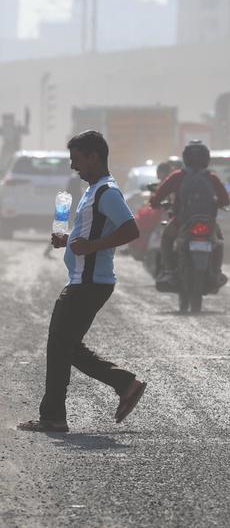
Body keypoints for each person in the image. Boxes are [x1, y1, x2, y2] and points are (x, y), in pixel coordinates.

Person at [18, 131, 146, 433]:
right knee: (68, 347)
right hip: (84, 280)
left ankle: (53, 417)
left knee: (59, 346)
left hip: (89, 283)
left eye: (77, 160)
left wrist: (91, 247)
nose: (74, 167)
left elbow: (131, 231)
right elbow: (91, 231)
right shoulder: (92, 191)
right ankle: (126, 384)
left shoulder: (108, 193)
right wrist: (69, 239)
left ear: (94, 156)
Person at [149, 140, 230, 286]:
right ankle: (216, 271)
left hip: (181, 220)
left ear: (185, 158)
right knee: (219, 241)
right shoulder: (211, 177)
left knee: (167, 238)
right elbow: (225, 199)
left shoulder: (178, 176)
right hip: (208, 221)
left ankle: (169, 271)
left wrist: (154, 202)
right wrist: (219, 204)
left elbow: (160, 194)